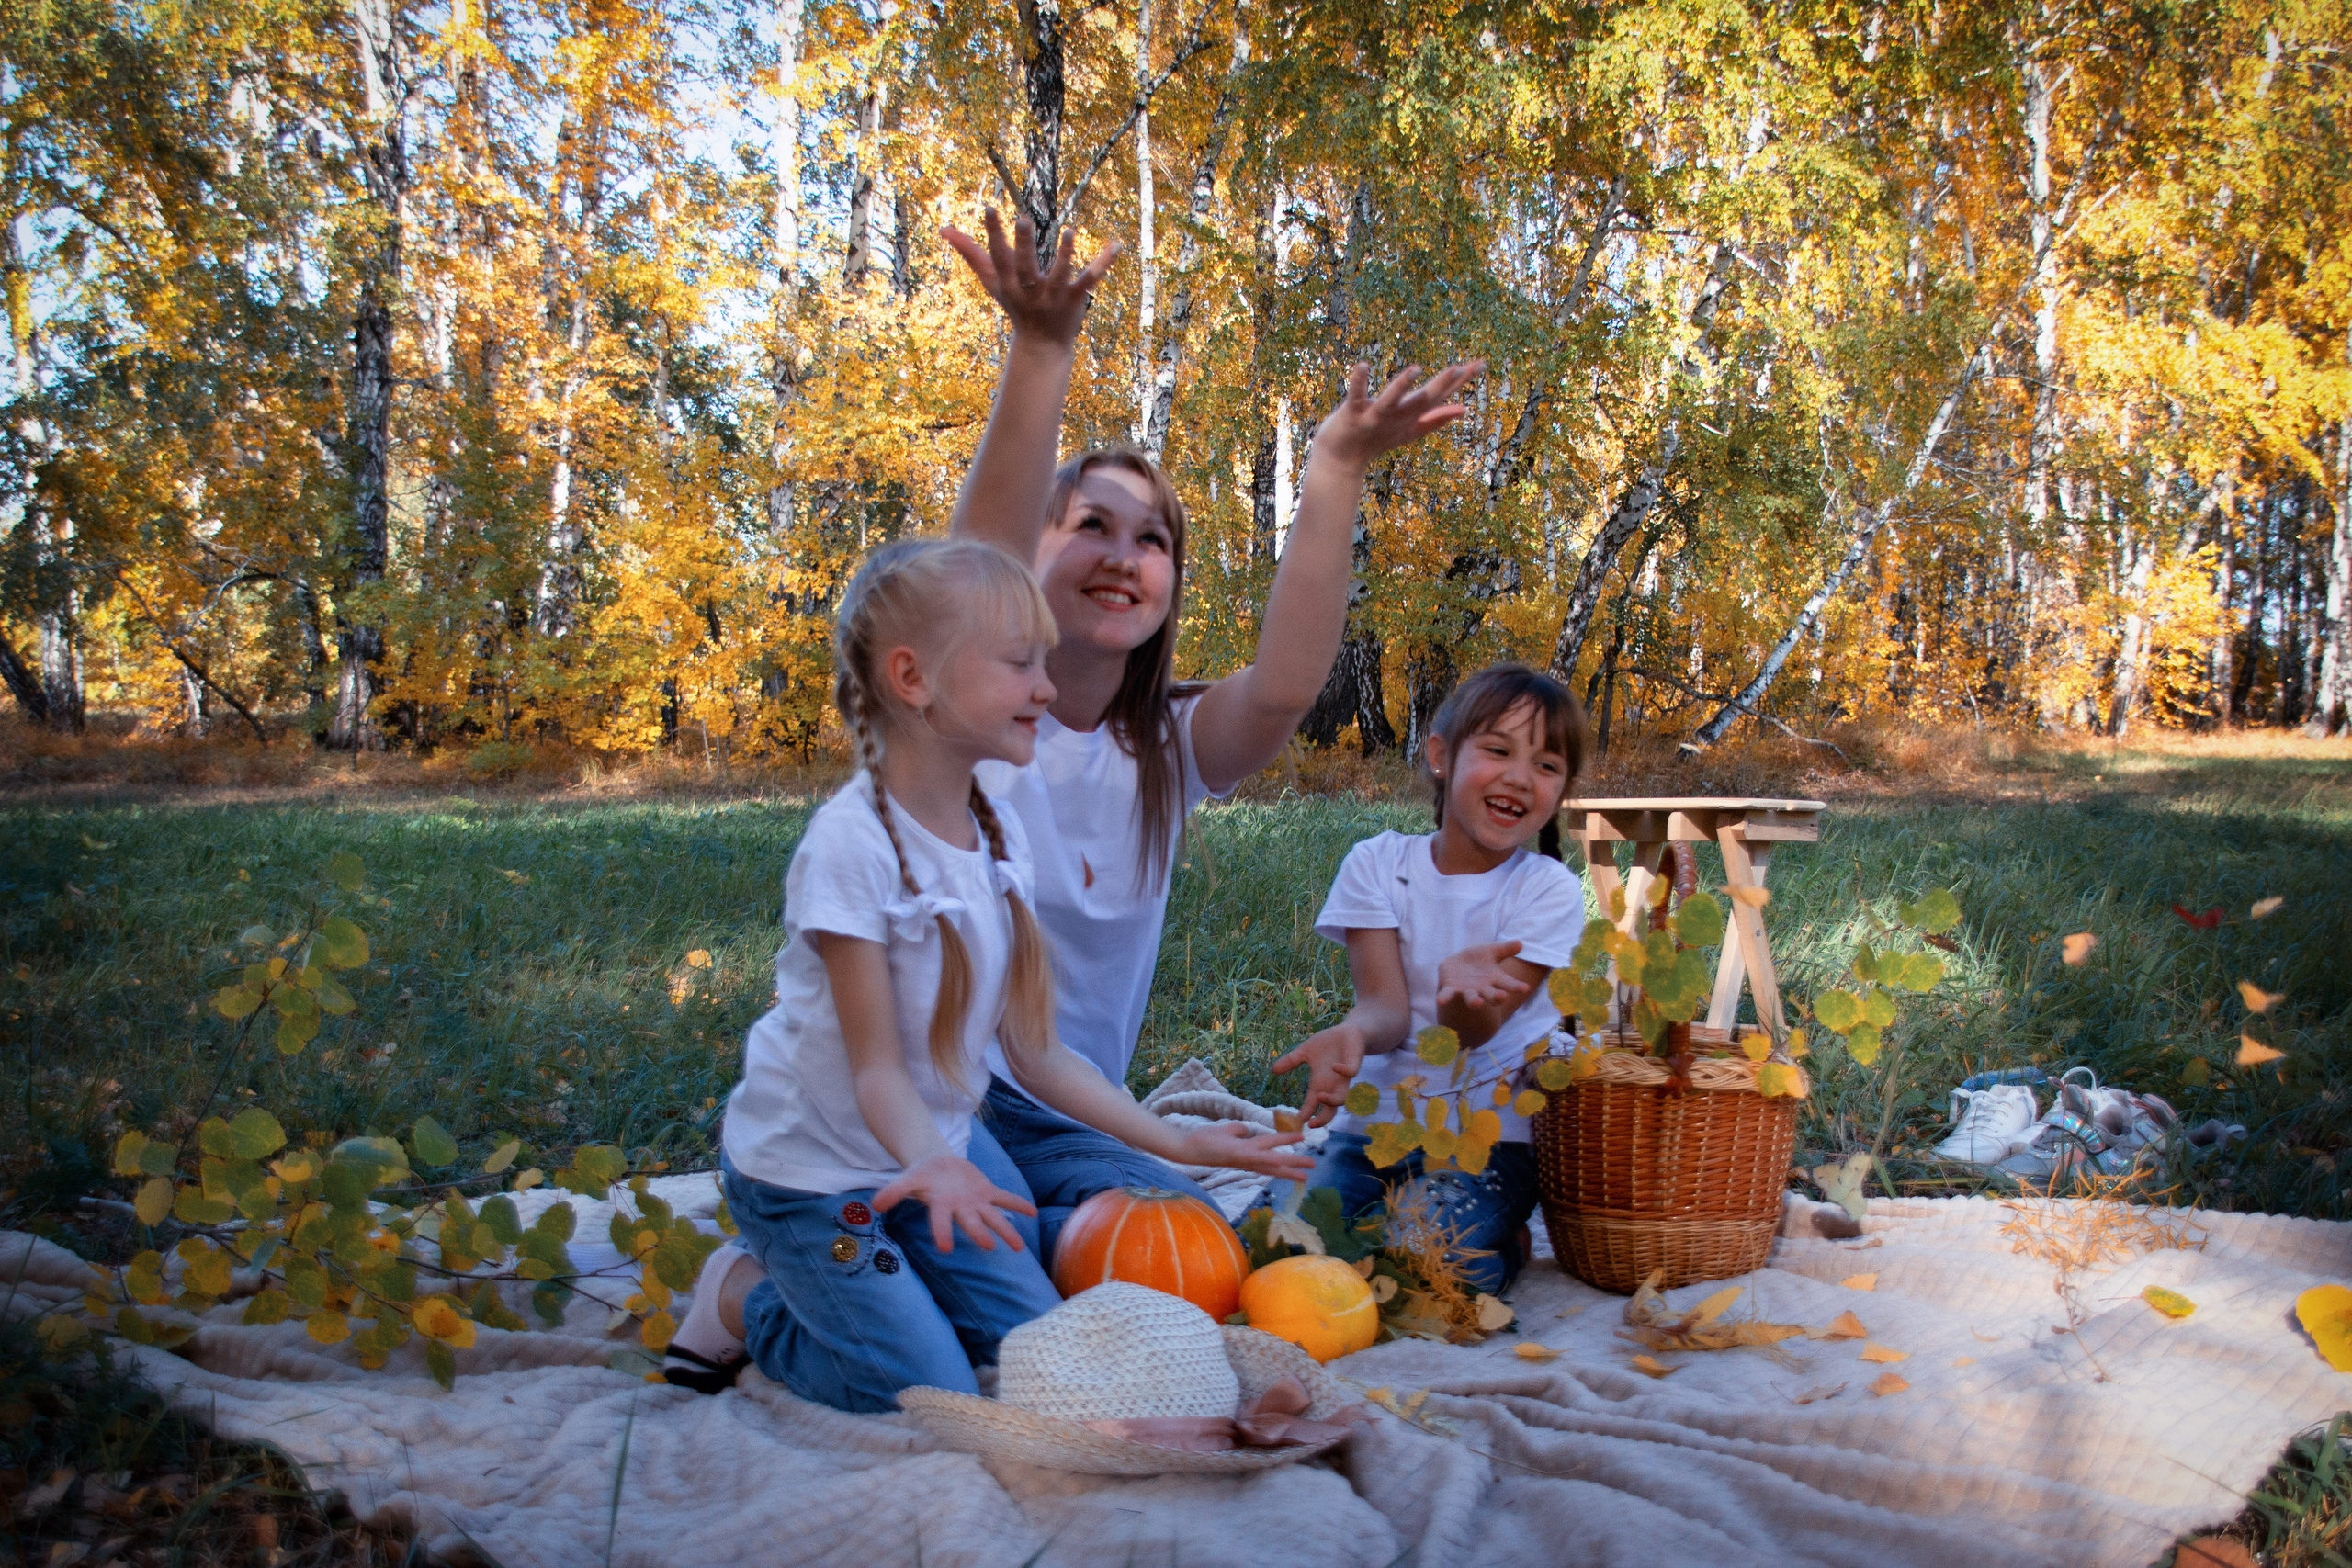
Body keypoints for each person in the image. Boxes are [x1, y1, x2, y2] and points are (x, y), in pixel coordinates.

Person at [941, 208, 1485, 1259]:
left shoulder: (1166, 749)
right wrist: (1041, 348)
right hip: (936, 1108)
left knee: (1178, 1245)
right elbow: (972, 570)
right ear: (1029, 553)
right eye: (1088, 524)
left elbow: (1284, 686)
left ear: (1170, 585)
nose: (1122, 553)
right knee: (994, 1247)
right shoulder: (970, 722)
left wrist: (1335, 466)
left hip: (1067, 1114)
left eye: (1152, 540)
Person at [662, 539, 1307, 1407]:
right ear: (913, 678)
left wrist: (1178, 1143)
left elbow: (1035, 1054)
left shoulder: (992, 827)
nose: (1046, 686)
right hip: (816, 1177)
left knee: (1035, 1343)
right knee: (921, 1384)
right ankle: (745, 1298)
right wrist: (934, 1162)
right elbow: (877, 1069)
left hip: (941, 1162)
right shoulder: (853, 847)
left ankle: (889, 1285)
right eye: (1018, 663)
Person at [1271, 664, 1590, 1294]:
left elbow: (1476, 1034)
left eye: (1547, 765)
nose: (1520, 777)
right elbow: (1385, 1010)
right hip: (1373, 1130)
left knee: (1416, 1260)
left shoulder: (1548, 888)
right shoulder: (1378, 864)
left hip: (1488, 1144)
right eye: (1498, 750)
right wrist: (1351, 1033)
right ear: (1441, 755)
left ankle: (1502, 1249)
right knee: (1282, 1248)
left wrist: (1460, 996)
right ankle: (1347, 1199)